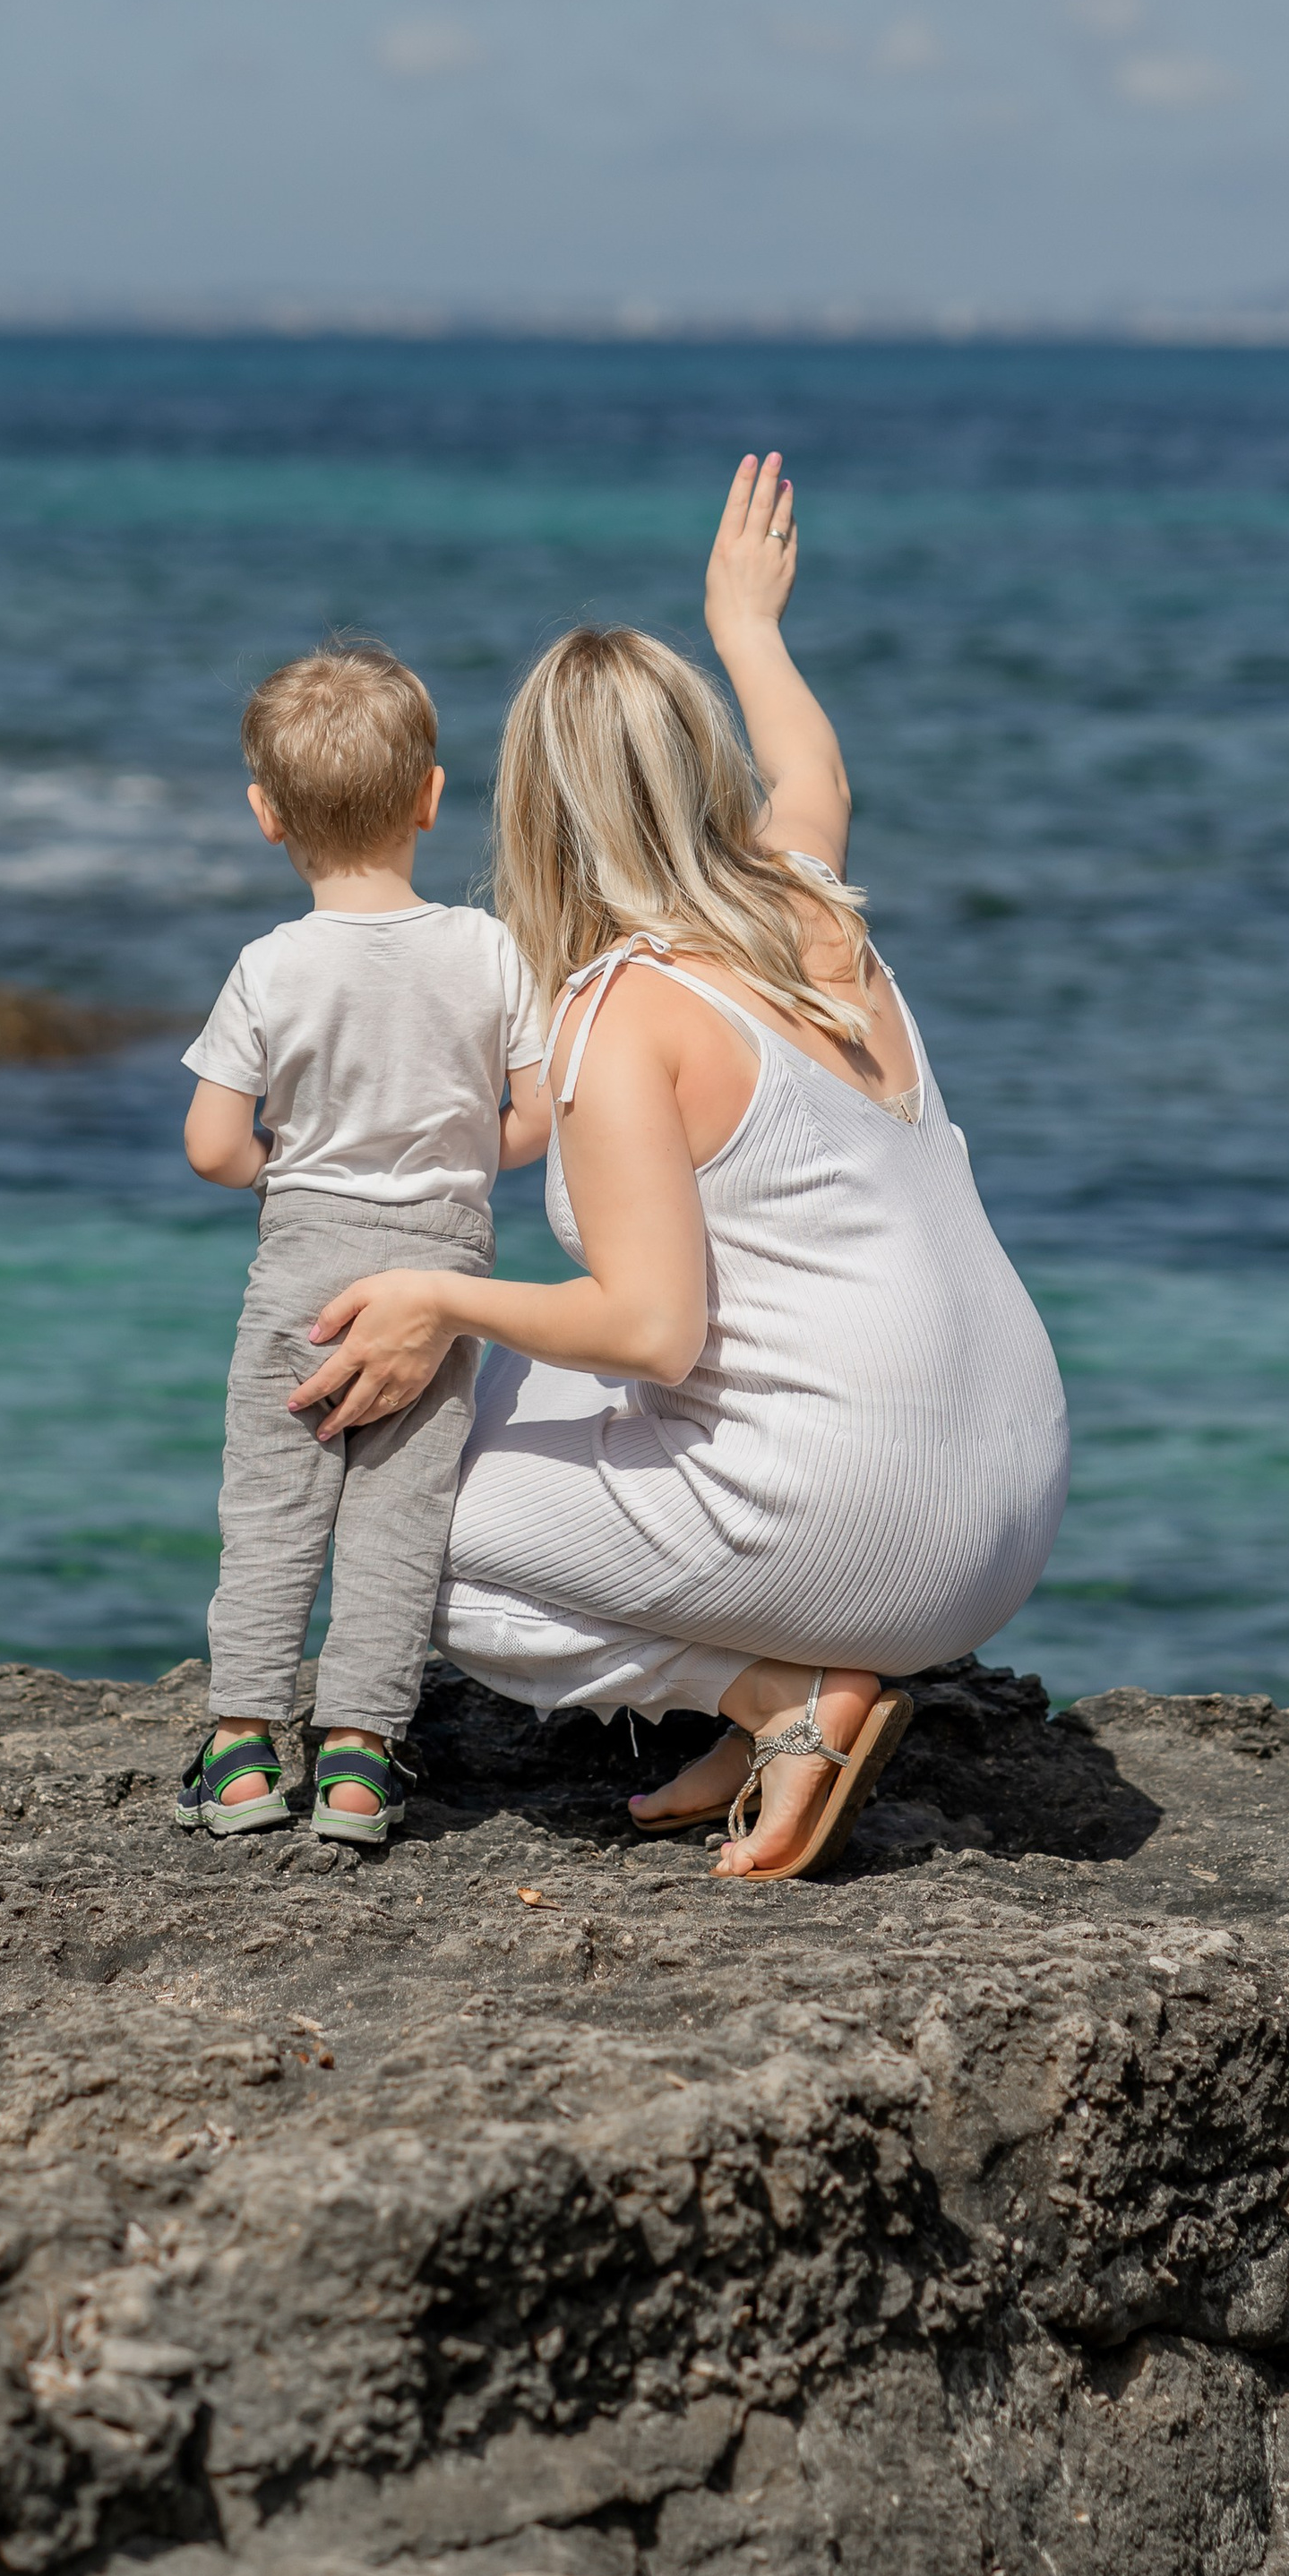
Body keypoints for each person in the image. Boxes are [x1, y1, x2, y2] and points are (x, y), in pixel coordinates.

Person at [285, 458, 1071, 1882]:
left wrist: (436, 1297)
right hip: (1014, 1496)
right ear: (704, 770)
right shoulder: (806, 898)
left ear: (531, 812)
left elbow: (654, 1329)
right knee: (512, 1389)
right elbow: (815, 772)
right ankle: (789, 1666)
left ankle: (778, 1696)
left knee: (400, 1514)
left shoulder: (619, 1012)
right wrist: (749, 624)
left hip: (879, 1525)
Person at [178, 640, 550, 1847]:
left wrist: (293, 1165)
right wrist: (450, 1157)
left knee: (274, 1509)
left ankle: (240, 1752)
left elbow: (212, 1144)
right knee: (399, 1522)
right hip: (439, 1268)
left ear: (264, 815)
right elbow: (536, 1121)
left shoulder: (270, 966)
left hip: (304, 1251)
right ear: (432, 799)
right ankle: (357, 1763)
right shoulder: (491, 950)